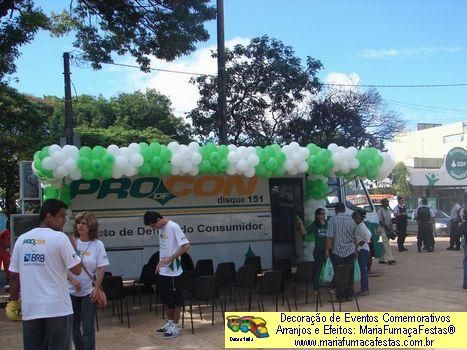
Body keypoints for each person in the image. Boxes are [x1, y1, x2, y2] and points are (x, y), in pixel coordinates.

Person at [8, 199, 82, 350]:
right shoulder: (61, 238)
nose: (64, 220)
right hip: (57, 309)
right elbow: (77, 269)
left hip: (31, 309)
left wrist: (14, 302)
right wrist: (74, 247)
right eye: (61, 216)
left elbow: (14, 276)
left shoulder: (22, 240)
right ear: (49, 216)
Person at [144, 211, 190, 339]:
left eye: (153, 226)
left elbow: (186, 246)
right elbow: (164, 247)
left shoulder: (174, 227)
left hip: (174, 272)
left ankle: (175, 326)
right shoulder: (161, 229)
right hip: (164, 271)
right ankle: (169, 323)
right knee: (166, 299)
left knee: (176, 301)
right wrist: (160, 262)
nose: (154, 229)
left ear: (159, 220)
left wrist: (170, 258)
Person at [68, 211, 109, 350]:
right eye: (78, 223)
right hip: (71, 290)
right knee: (73, 327)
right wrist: (72, 281)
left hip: (89, 291)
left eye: (84, 223)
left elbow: (101, 268)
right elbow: (63, 266)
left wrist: (97, 288)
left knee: (88, 327)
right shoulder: (71, 242)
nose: (80, 225)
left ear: (91, 226)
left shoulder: (98, 245)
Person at [325, 202, 357, 301]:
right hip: (350, 251)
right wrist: (355, 250)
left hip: (337, 252)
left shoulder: (332, 220)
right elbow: (355, 238)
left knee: (339, 274)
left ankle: (340, 296)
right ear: (344, 210)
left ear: (336, 210)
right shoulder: (351, 220)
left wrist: (327, 250)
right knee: (349, 273)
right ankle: (350, 295)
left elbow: (330, 238)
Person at [303, 208, 327, 290]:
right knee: (318, 269)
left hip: (327, 249)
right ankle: (316, 288)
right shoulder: (315, 225)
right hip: (318, 250)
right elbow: (305, 232)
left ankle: (330, 286)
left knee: (329, 268)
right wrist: (300, 224)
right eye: (321, 214)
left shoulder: (327, 223)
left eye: (324, 213)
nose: (323, 215)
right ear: (317, 216)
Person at [352, 209, 372, 296]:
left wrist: (362, 242)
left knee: (363, 270)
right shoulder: (359, 225)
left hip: (363, 250)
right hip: (362, 250)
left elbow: (368, 235)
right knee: (362, 269)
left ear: (358, 218)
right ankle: (364, 288)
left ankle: (365, 289)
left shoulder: (361, 226)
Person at [377, 198, 396, 264]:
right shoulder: (380, 211)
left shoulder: (388, 210)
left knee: (385, 244)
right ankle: (390, 259)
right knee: (386, 244)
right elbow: (380, 221)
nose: (388, 203)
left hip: (388, 229)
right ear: (383, 203)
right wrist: (387, 227)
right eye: (387, 202)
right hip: (383, 229)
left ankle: (381, 258)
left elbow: (390, 220)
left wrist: (391, 228)